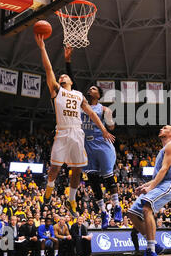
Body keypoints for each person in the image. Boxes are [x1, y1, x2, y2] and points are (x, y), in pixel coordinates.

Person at [34, 34, 115, 218]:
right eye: (61, 75)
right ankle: (48, 190)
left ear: (70, 81)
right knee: (54, 168)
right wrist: (42, 48)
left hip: (78, 133)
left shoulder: (79, 95)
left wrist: (103, 129)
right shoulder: (57, 90)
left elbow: (92, 113)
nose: (62, 76)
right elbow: (48, 70)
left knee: (77, 169)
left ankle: (71, 199)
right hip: (62, 132)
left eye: (65, 75)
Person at [64, 46, 120, 229]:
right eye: (91, 87)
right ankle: (103, 212)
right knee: (94, 182)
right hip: (86, 146)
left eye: (94, 88)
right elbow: (74, 85)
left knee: (109, 179)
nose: (91, 88)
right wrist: (68, 61)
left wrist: (110, 121)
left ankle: (117, 207)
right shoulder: (83, 104)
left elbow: (112, 128)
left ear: (99, 95)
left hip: (102, 144)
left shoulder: (104, 109)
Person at [127, 125, 171, 256]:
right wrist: (145, 186)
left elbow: (164, 170)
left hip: (168, 184)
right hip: (158, 184)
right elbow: (157, 176)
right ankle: (154, 245)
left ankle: (150, 252)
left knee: (146, 208)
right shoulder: (163, 149)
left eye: (165, 128)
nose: (161, 129)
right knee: (132, 213)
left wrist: (150, 188)